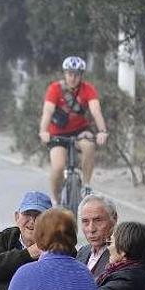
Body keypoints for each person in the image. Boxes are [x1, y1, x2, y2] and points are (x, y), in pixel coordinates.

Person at [38, 56, 109, 204]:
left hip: (80, 131)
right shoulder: (55, 89)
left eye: (76, 74)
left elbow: (96, 110)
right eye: (70, 74)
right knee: (57, 167)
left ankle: (86, 185)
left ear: (81, 75)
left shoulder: (88, 89)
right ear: (65, 74)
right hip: (57, 133)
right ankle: (55, 199)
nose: (73, 78)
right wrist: (43, 131)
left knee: (89, 145)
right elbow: (48, 112)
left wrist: (102, 131)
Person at [76, 194, 118, 278]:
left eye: (98, 220)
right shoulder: (82, 252)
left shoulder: (120, 256)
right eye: (85, 221)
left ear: (114, 219)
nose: (91, 229)